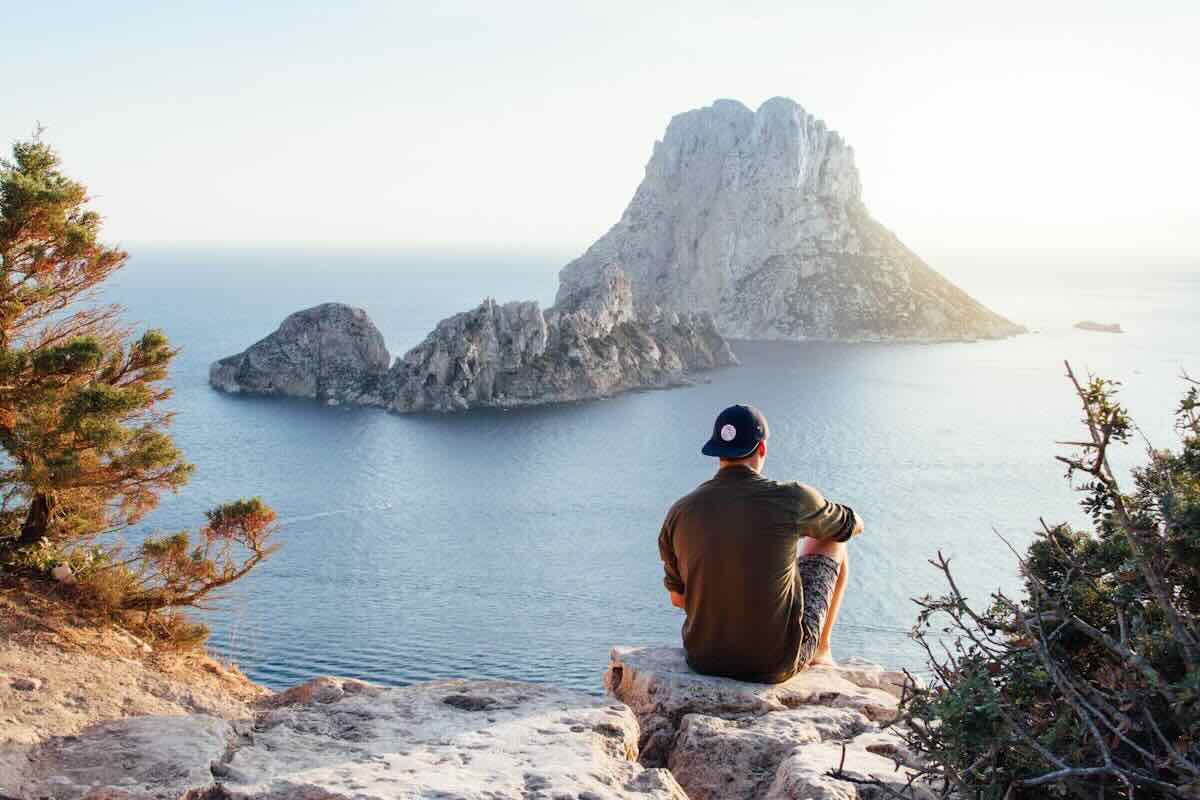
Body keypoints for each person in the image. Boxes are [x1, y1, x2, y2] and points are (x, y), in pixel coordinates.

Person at [657, 404, 861, 683]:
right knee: (834, 540)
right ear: (761, 449)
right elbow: (850, 526)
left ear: (717, 453)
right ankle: (821, 651)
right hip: (773, 664)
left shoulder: (680, 511)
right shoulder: (791, 498)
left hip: (703, 659)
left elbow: (678, 599)